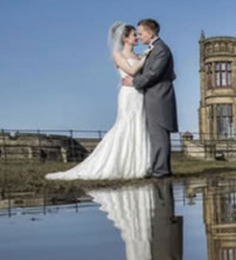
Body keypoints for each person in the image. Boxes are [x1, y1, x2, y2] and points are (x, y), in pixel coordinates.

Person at [46, 23, 151, 181]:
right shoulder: (118, 55)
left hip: (139, 94)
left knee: (140, 125)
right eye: (133, 35)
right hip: (128, 94)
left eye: (136, 35)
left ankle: (139, 165)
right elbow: (132, 71)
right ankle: (117, 165)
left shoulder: (138, 56)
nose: (137, 37)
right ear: (125, 38)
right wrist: (146, 58)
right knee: (126, 125)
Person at [127, 20, 178, 179]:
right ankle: (159, 167)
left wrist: (134, 82)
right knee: (156, 134)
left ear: (150, 33)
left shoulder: (161, 49)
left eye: (141, 33)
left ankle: (161, 170)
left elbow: (154, 73)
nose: (139, 36)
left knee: (159, 134)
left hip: (159, 97)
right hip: (155, 96)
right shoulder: (155, 49)